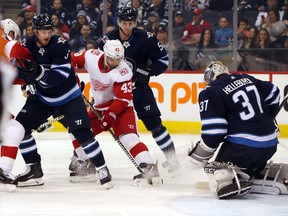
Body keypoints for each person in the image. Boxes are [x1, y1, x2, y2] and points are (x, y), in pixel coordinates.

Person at [14, 13, 112, 188]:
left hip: (69, 99)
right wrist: (25, 81)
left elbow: (58, 77)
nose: (46, 35)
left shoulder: (61, 45)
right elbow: (22, 68)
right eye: (42, 31)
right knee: (20, 128)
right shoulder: (26, 45)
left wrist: (37, 73)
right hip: (43, 98)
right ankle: (33, 169)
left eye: (49, 30)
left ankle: (102, 167)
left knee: (82, 133)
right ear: (34, 31)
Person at [98, 7, 180, 175]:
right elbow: (99, 65)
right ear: (119, 23)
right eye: (124, 23)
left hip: (139, 89)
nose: (128, 27)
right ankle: (86, 161)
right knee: (97, 123)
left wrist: (148, 71)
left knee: (155, 125)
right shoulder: (108, 40)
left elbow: (163, 60)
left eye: (131, 23)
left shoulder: (146, 39)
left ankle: (172, 159)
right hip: (117, 93)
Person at [185, 61, 284, 199]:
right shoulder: (245, 78)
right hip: (270, 145)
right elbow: (274, 92)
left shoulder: (210, 91)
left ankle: (226, 182)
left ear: (209, 77)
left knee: (216, 167)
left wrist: (198, 157)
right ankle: (264, 172)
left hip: (243, 148)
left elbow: (214, 133)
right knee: (250, 161)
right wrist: (268, 116)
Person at [70, 39, 162, 185]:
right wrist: (71, 78)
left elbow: (122, 100)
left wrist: (110, 116)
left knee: (128, 137)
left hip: (121, 108)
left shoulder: (124, 71)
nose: (115, 62)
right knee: (76, 130)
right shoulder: (91, 56)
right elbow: (68, 61)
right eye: (112, 59)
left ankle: (149, 166)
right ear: (105, 54)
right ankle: (86, 163)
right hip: (100, 106)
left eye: (118, 59)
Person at [0, 19, 28, 191]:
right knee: (14, 128)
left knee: (14, 128)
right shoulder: (4, 40)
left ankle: (3, 170)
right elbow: (19, 51)